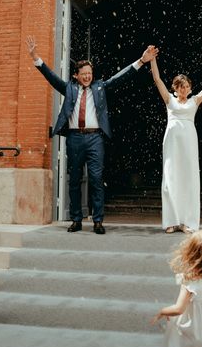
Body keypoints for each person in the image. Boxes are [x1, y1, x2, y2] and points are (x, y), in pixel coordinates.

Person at [26, 36, 158, 234]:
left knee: (96, 178)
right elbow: (51, 77)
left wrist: (141, 61)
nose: (87, 76)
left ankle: (98, 221)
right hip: (74, 138)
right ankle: (76, 220)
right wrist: (36, 57)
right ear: (77, 75)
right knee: (75, 179)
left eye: (90, 73)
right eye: (84, 73)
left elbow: (120, 77)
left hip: (95, 138)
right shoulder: (69, 88)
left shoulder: (100, 87)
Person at [150, 54, 202, 233]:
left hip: (188, 140)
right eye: (181, 87)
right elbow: (157, 79)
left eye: (187, 86)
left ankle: (187, 221)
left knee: (189, 179)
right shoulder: (169, 100)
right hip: (172, 141)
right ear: (176, 88)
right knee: (171, 179)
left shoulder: (194, 100)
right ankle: (171, 221)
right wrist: (152, 60)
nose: (184, 89)